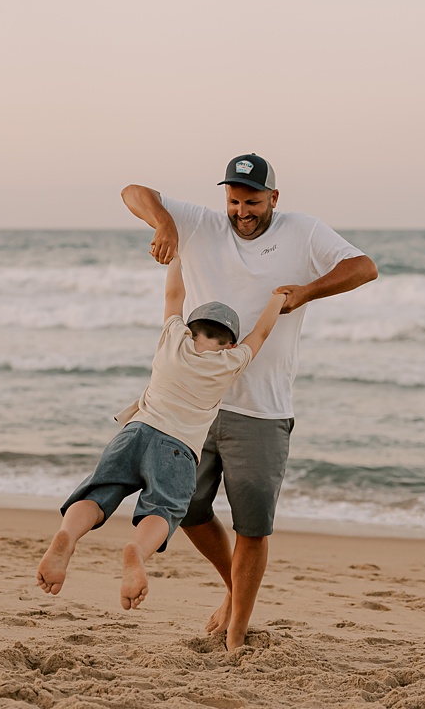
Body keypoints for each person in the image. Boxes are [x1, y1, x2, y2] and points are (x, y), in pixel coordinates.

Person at [121, 153, 377, 650]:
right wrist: (165, 222)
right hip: (195, 406)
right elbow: (133, 191)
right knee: (186, 506)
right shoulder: (200, 223)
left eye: (253, 200)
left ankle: (238, 627)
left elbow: (363, 267)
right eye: (234, 200)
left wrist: (308, 291)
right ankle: (234, 590)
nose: (242, 210)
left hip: (262, 407)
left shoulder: (303, 232)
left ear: (273, 198)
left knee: (252, 525)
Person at [36, 253, 284, 613]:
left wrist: (179, 257)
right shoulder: (230, 361)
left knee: (98, 492)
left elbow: (173, 296)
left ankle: (68, 535)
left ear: (191, 328)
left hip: (134, 432)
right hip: (176, 449)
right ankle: (137, 549)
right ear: (230, 342)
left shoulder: (172, 338)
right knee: (163, 510)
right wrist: (277, 297)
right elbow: (261, 332)